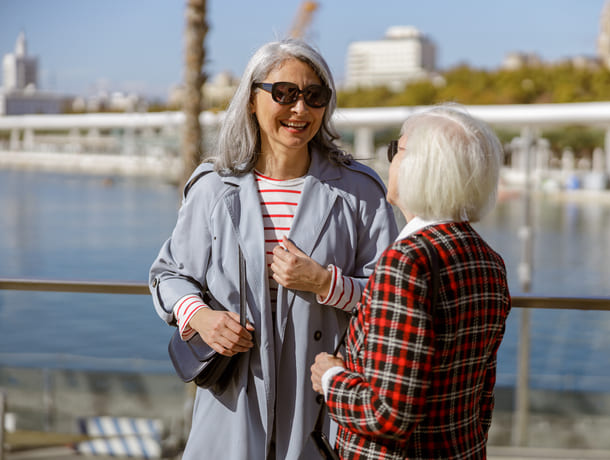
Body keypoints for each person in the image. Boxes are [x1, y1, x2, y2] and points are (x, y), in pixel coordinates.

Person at [149, 38, 397, 460]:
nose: (300, 109)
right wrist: (203, 318)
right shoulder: (212, 187)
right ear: (251, 99)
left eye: (314, 96)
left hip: (322, 397)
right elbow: (169, 275)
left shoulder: (360, 191)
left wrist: (325, 283)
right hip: (232, 398)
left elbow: (391, 298)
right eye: (284, 93)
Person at [311, 104, 512, 460]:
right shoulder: (489, 261)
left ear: (423, 169)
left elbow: (388, 415)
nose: (390, 160)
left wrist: (331, 379)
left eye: (397, 150)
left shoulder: (406, 262)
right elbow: (482, 395)